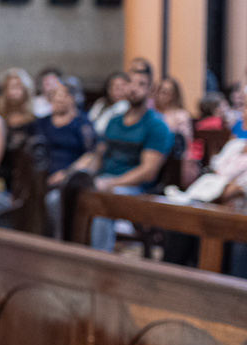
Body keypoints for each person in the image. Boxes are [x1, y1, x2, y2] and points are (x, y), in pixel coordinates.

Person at [75, 68, 174, 251]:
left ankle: (99, 262)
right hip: (105, 180)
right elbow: (98, 156)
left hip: (136, 189)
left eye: (141, 84)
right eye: (131, 82)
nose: (134, 88)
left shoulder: (156, 125)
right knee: (63, 194)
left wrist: (112, 182)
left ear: (151, 90)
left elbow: (147, 171)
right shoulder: (114, 122)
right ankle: (69, 255)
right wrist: (80, 175)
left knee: (104, 201)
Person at [37, 78, 96, 237]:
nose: (58, 99)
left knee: (53, 200)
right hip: (40, 179)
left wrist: (66, 174)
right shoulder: (42, 123)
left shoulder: (82, 124)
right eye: (55, 94)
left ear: (73, 98)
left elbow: (91, 156)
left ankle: (59, 246)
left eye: (63, 95)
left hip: (67, 184)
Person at [0, 68, 37, 204]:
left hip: (26, 181)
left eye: (17, 86)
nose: (13, 91)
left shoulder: (35, 123)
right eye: (9, 87)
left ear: (26, 90)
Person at [154, 77, 195, 187]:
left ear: (175, 95)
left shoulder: (181, 115)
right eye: (161, 91)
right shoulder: (152, 113)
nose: (164, 94)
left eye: (168, 92)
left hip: (173, 159)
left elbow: (185, 143)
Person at [88, 72, 130, 137]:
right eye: (116, 86)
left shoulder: (127, 107)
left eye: (122, 86)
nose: (119, 89)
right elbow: (89, 120)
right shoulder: (100, 103)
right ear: (108, 89)